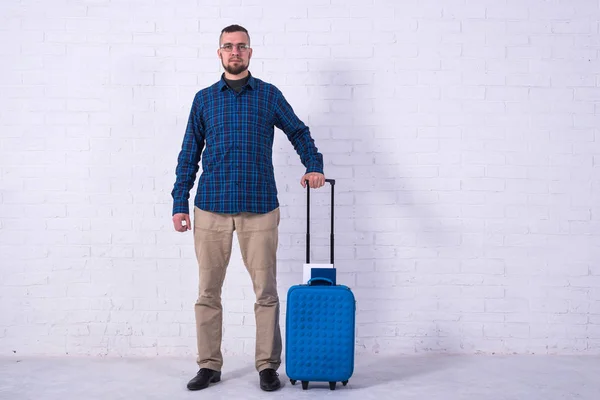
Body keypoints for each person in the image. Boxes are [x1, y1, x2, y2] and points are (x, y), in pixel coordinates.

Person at [171, 24, 326, 392]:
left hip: (259, 208)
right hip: (210, 208)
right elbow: (188, 153)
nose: (235, 52)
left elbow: (299, 132)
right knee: (208, 292)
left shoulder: (269, 95)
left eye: (241, 46)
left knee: (266, 293)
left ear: (250, 52)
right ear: (219, 53)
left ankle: (268, 366)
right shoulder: (204, 99)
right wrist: (179, 201)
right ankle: (209, 365)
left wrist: (313, 164)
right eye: (228, 46)